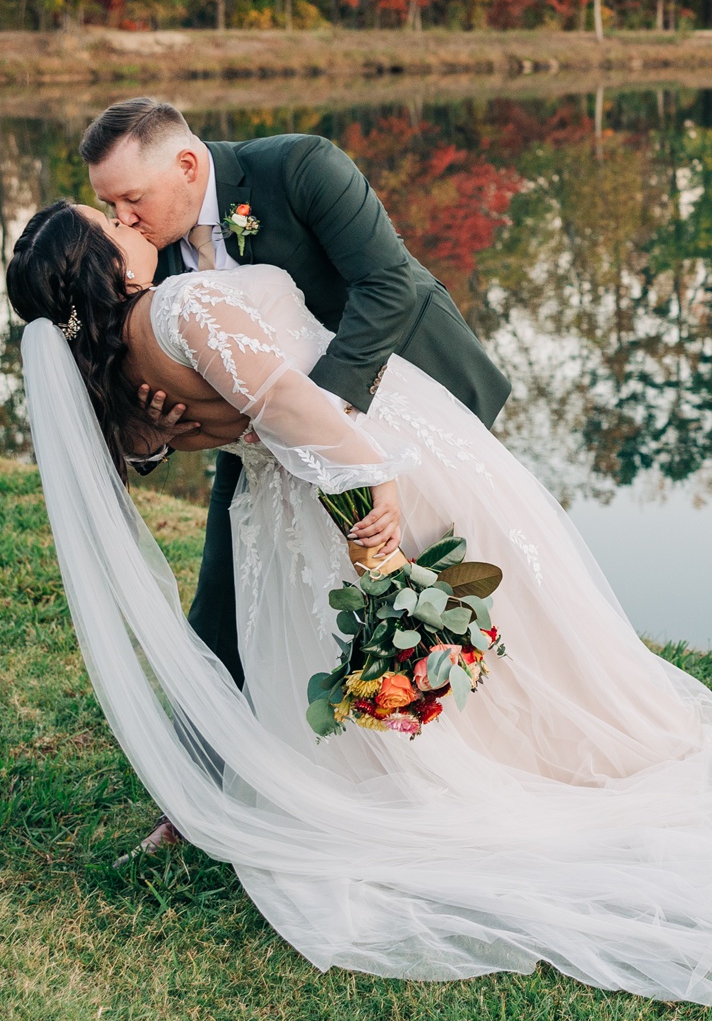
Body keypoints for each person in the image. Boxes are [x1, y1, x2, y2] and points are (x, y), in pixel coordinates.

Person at [4, 196, 712, 1000]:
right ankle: (530, 771)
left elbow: (160, 441)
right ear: (97, 262)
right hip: (362, 463)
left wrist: (200, 431)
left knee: (347, 656)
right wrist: (374, 485)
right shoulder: (177, 306)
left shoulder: (115, 366)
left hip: (278, 522)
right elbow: (294, 401)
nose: (129, 224)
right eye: (109, 226)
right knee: (496, 613)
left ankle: (430, 773)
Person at [78, 98, 510, 688]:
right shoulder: (144, 259)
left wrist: (319, 427)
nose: (122, 219)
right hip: (271, 436)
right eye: (109, 205)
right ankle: (222, 748)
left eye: (132, 199)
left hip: (398, 387)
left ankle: (474, 704)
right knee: (224, 600)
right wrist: (164, 434)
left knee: (444, 568)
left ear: (185, 165)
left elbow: (387, 284)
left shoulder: (301, 165)